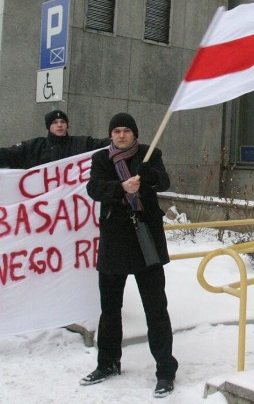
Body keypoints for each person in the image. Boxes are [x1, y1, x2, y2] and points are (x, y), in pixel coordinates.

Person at [80, 112, 178, 398]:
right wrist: (120, 187)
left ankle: (165, 371)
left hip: (145, 239)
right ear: (111, 135)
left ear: (135, 134)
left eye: (126, 131)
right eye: (116, 131)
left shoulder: (149, 154)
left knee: (155, 308)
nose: (121, 135)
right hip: (115, 241)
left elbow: (163, 182)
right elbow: (94, 188)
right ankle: (108, 363)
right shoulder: (101, 159)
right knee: (110, 309)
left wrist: (147, 176)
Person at [0, 110, 109, 169]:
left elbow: (103, 145)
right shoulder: (34, 147)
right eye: (55, 123)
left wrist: (125, 140)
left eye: (62, 122)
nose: (59, 125)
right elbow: (6, 154)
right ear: (48, 127)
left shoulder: (81, 143)